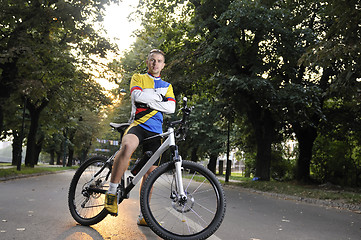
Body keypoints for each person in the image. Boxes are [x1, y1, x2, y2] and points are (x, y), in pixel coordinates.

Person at [104, 49, 176, 226]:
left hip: (156, 131)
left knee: (149, 173)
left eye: (159, 61)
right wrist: (159, 100)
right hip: (138, 125)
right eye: (152, 60)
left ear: (163, 65)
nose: (155, 64)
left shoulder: (168, 86)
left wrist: (148, 98)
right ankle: (112, 193)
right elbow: (137, 96)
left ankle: (145, 214)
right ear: (147, 62)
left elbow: (171, 108)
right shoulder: (138, 77)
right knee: (127, 146)